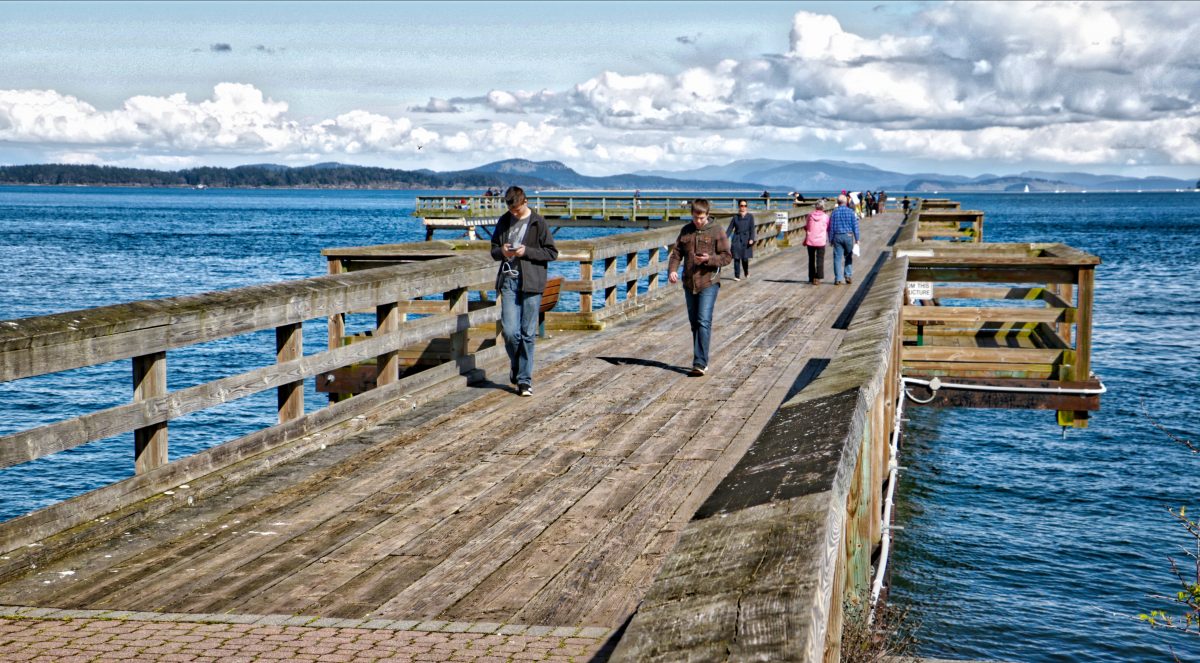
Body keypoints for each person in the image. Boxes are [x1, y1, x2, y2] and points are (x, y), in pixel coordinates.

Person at [490, 185, 558, 397]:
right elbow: (493, 250)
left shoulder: (539, 222)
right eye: (511, 210)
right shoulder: (504, 221)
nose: (514, 214)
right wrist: (501, 251)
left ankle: (524, 380)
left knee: (528, 333)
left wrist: (525, 251)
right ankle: (518, 366)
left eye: (516, 210)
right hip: (508, 280)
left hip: (532, 282)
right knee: (510, 331)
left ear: (525, 202)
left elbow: (551, 252)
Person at [668, 199, 732, 377]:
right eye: (696, 218)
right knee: (694, 322)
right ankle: (700, 357)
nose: (698, 221)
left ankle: (700, 363)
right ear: (692, 215)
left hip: (708, 281)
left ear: (708, 215)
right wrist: (672, 270)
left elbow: (727, 257)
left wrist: (708, 259)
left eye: (702, 218)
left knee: (704, 320)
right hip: (689, 282)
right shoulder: (686, 230)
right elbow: (676, 253)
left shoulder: (717, 230)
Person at [829, 194, 860, 285]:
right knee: (848, 256)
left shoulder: (834, 212)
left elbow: (832, 227)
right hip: (848, 236)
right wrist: (857, 239)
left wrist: (831, 239)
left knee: (837, 258)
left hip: (837, 236)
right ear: (846, 202)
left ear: (838, 203)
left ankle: (838, 278)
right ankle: (848, 275)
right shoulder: (851, 212)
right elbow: (855, 226)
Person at [725, 199, 756, 280]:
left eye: (745, 206)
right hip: (736, 238)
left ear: (746, 207)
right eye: (742, 205)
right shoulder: (735, 217)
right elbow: (729, 229)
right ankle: (737, 276)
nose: (743, 207)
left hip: (746, 239)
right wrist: (724, 238)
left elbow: (752, 229)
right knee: (736, 257)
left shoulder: (750, 217)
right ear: (739, 206)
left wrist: (752, 238)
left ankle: (746, 271)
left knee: (745, 259)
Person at [804, 200, 830, 285]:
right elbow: (828, 228)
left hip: (810, 240)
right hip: (821, 241)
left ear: (815, 207)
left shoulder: (810, 215)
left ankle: (811, 277)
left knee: (811, 259)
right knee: (820, 259)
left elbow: (807, 226)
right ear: (823, 207)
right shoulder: (826, 217)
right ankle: (818, 277)